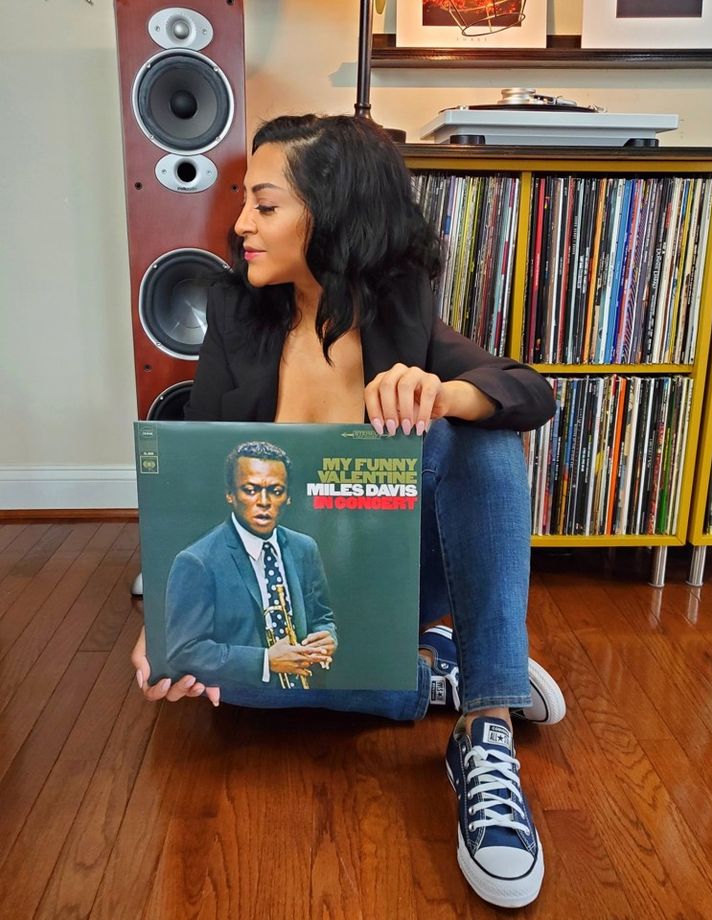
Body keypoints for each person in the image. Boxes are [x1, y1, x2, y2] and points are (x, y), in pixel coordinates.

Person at [131, 113, 562, 909]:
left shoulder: (399, 308)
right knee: (229, 685)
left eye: (265, 205)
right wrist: (167, 618)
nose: (241, 224)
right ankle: (432, 673)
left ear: (330, 214)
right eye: (245, 202)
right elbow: (197, 475)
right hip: (288, 596)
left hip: (392, 575)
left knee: (483, 439)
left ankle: (487, 725)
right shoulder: (235, 312)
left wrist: (443, 393)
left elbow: (528, 390)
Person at [164, 440, 337, 690]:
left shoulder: (305, 548)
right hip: (240, 691)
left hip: (306, 686)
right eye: (251, 489)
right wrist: (265, 661)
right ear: (230, 494)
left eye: (276, 491)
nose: (264, 501)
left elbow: (323, 616)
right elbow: (184, 651)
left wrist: (327, 636)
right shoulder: (196, 561)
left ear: (288, 497)